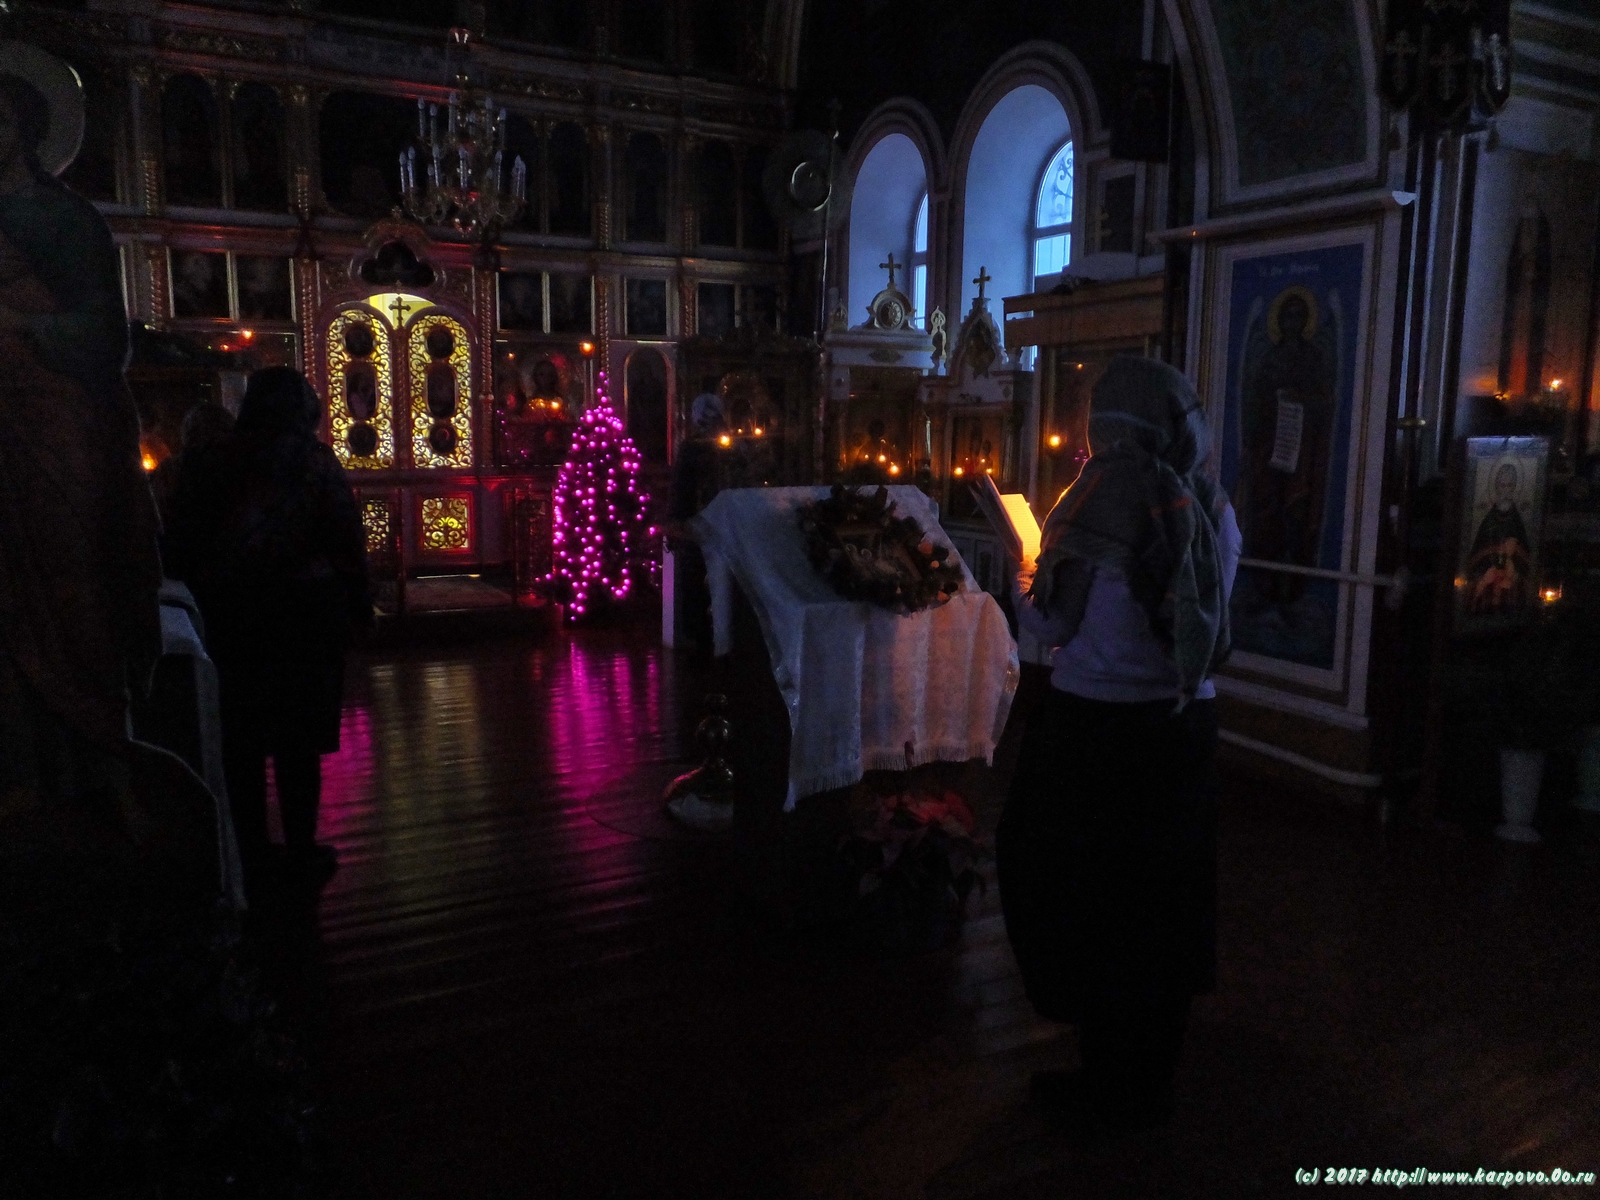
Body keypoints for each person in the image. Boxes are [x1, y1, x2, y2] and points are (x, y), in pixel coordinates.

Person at [997, 355, 1242, 1131]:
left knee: (1086, 900)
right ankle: (1149, 1083)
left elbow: (1052, 625)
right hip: (1182, 731)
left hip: (1094, 731)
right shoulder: (1212, 505)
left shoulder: (1098, 499)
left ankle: (1104, 1079)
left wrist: (1020, 566)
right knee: (1160, 907)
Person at [0, 49, 163, 833]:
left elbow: (103, 333)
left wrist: (21, 322)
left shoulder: (65, 219)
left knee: (74, 589)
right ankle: (26, 772)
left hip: (55, 421)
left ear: (28, 128)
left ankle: (108, 760)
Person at [166, 367, 371, 892]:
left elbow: (182, 538)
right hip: (304, 617)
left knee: (243, 740)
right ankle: (301, 848)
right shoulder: (313, 461)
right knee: (299, 742)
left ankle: (251, 850)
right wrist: (359, 607)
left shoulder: (212, 459)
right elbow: (345, 537)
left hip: (231, 616)